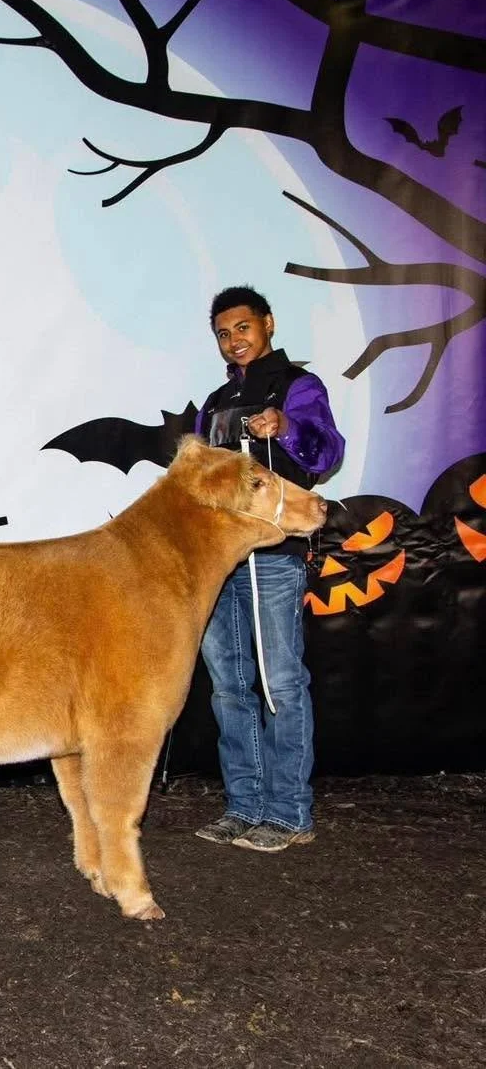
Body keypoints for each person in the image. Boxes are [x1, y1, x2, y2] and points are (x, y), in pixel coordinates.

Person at [193, 285, 345, 853]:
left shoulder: (299, 387)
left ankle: (289, 812)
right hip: (221, 559)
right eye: (223, 334)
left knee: (281, 683)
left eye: (242, 328)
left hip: (274, 555)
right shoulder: (213, 402)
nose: (234, 340)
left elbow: (326, 453)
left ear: (269, 324)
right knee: (229, 688)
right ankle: (245, 805)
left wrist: (286, 427)